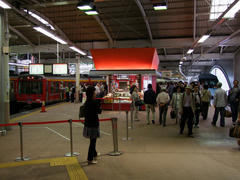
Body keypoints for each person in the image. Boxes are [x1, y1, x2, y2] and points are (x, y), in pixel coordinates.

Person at [83, 86, 102, 164]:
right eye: (94, 92)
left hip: (87, 123)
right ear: (92, 93)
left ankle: (95, 154)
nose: (95, 93)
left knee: (92, 140)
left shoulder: (86, 102)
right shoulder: (94, 102)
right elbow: (99, 111)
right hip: (93, 124)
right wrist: (99, 106)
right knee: (93, 142)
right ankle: (90, 159)